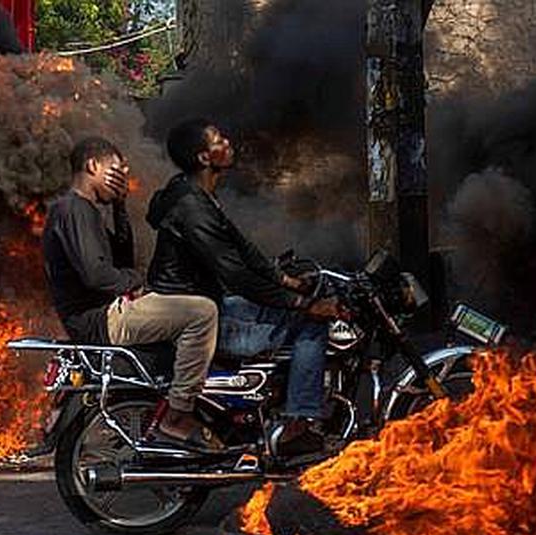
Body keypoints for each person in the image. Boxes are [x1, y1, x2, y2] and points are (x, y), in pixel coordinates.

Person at [144, 119, 346, 455]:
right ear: (204, 158)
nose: (228, 142)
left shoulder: (194, 193)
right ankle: (299, 425)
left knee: (278, 308)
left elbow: (243, 248)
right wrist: (302, 304)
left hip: (208, 304)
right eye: (219, 139)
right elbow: (236, 273)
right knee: (310, 324)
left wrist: (286, 280)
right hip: (200, 318)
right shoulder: (192, 207)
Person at [42, 136, 224, 451]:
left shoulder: (85, 211)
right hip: (101, 319)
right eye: (115, 170)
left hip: (107, 313)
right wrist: (138, 283)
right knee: (202, 313)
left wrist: (120, 205)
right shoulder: (72, 209)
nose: (121, 178)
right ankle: (178, 416)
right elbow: (98, 275)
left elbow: (120, 259)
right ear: (93, 165)